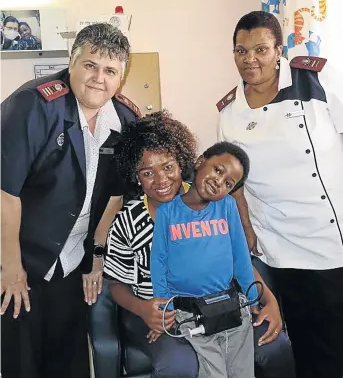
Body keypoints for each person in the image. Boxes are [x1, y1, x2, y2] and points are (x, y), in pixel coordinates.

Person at [103, 111, 295, 378]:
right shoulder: (127, 221)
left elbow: (239, 259)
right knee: (180, 364)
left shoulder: (212, 197)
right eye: (148, 172)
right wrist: (145, 309)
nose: (161, 180)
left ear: (182, 163)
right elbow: (115, 284)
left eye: (168, 167)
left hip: (220, 304)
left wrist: (269, 302)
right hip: (157, 311)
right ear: (136, 176)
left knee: (275, 345)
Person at [1, 23, 140, 378]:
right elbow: (5, 194)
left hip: (71, 260)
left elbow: (114, 195)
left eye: (110, 70)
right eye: (90, 65)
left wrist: (95, 259)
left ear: (121, 78)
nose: (98, 78)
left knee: (68, 360)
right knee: (21, 361)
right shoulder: (33, 106)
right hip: (20, 257)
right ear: (71, 62)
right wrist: (12, 270)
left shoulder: (124, 120)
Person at [217, 10, 343, 378]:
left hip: (330, 237)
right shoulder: (231, 111)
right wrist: (247, 230)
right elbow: (234, 183)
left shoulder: (315, 78)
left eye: (260, 50)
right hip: (279, 245)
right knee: (307, 346)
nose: (249, 60)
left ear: (279, 50)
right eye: (240, 51)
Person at [150, 141, 259, 378]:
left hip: (232, 306)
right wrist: (163, 309)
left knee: (243, 373)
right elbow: (158, 260)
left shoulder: (227, 207)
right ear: (200, 162)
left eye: (228, 183)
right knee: (214, 374)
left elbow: (241, 255)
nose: (219, 181)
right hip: (191, 313)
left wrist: (253, 301)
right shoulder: (168, 212)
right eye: (218, 170)